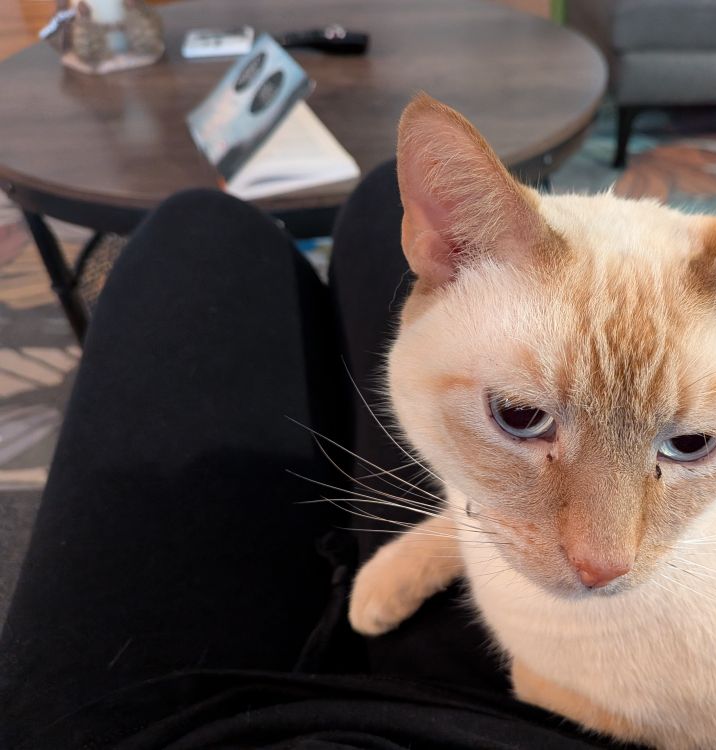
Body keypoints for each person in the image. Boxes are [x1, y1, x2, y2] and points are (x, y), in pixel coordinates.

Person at [0, 163, 620, 749]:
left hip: (162, 726)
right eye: (521, 413)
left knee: (200, 229)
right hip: (498, 717)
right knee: (381, 203)